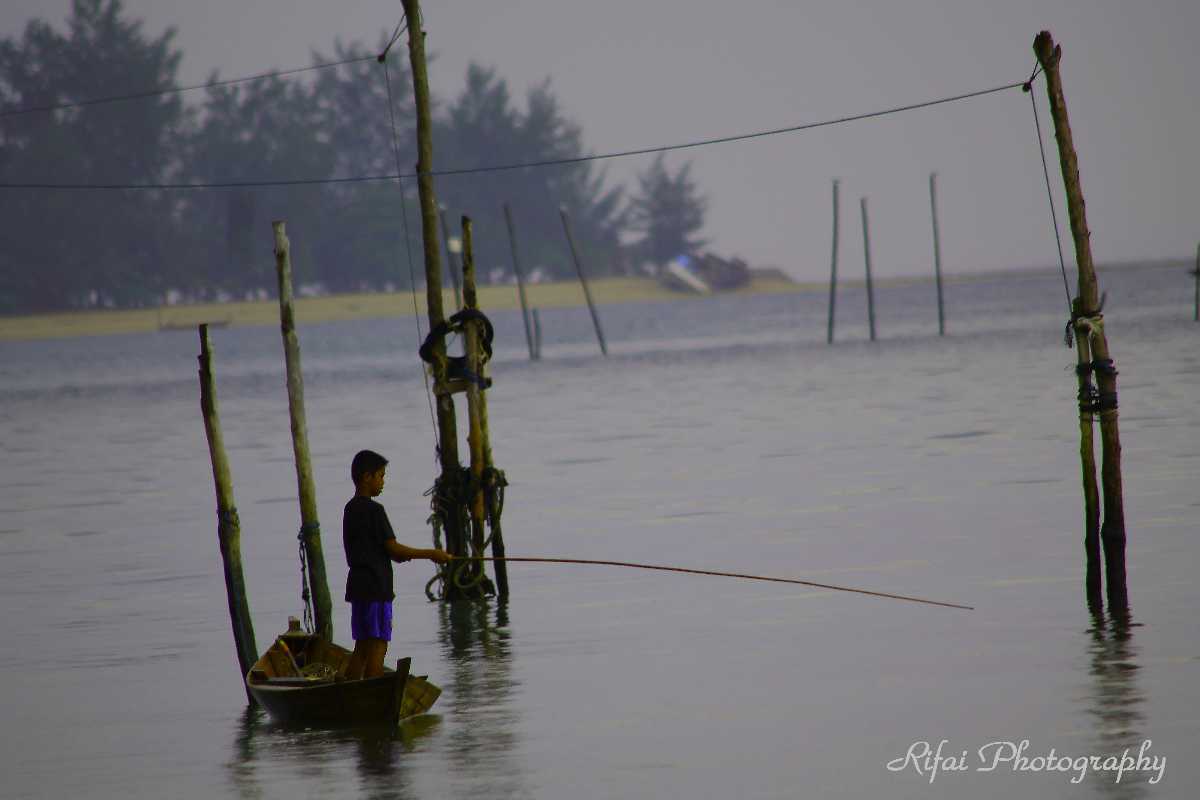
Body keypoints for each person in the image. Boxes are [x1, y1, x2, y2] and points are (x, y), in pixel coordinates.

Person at [342, 449, 451, 680]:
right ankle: (373, 699)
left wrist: (404, 555)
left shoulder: (350, 509)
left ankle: (346, 692)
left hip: (358, 588)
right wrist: (432, 553)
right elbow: (393, 549)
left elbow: (386, 551)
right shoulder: (375, 510)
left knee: (361, 646)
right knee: (378, 646)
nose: (383, 482)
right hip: (376, 588)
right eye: (380, 476)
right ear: (366, 477)